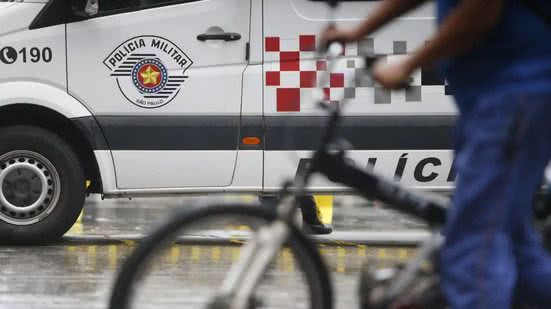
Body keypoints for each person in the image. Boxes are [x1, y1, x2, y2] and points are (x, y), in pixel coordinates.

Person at [320, 0, 551, 308]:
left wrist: (409, 64)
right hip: (501, 97)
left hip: (512, 95)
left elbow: (480, 12)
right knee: (514, 245)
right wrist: (359, 31)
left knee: (472, 249)